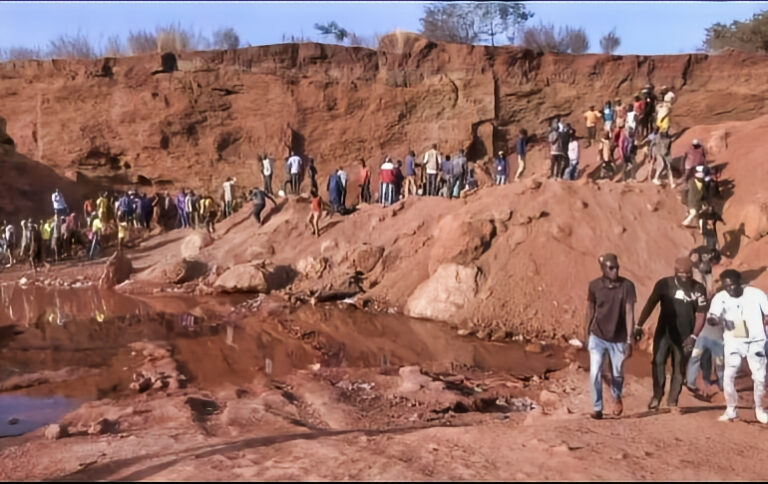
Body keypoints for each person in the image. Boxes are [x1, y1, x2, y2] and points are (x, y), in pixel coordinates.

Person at [634, 257, 707, 410]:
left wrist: (694, 336)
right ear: (675, 272)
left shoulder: (699, 289)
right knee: (658, 362)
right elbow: (650, 304)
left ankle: (672, 400)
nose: (686, 276)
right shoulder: (664, 284)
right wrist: (639, 325)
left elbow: (701, 315)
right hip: (664, 332)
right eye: (682, 273)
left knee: (679, 367)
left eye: (688, 273)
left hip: (685, 335)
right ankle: (657, 395)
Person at [707, 269, 768, 423]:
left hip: (756, 341)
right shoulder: (720, 298)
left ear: (740, 283)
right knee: (729, 377)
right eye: (726, 286)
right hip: (733, 342)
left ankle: (760, 409)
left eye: (733, 285)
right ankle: (731, 410)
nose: (730, 289)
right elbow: (711, 318)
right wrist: (719, 321)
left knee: (760, 378)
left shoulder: (756, 294)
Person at [585, 253, 636, 419]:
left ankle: (616, 396)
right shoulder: (594, 286)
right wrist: (586, 332)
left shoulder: (627, 286)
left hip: (619, 337)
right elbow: (590, 310)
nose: (615, 271)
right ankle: (597, 408)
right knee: (595, 371)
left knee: (617, 373)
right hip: (597, 335)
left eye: (617, 268)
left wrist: (629, 339)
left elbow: (629, 313)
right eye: (611, 268)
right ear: (603, 269)